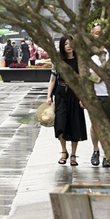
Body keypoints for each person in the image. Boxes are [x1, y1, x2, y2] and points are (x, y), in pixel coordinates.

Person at [46, 35, 87, 165]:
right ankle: (64, 151)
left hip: (75, 94)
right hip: (61, 94)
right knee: (60, 124)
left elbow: (83, 81)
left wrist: (83, 97)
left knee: (75, 124)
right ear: (62, 46)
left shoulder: (80, 60)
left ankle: (73, 155)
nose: (69, 46)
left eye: (70, 43)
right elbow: (53, 78)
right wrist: (48, 96)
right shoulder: (58, 60)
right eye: (66, 44)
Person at [89, 22, 110, 168]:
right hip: (94, 95)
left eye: (101, 33)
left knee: (109, 125)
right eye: (96, 33)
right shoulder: (87, 53)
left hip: (108, 94)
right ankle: (96, 151)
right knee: (95, 126)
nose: (99, 35)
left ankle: (107, 155)